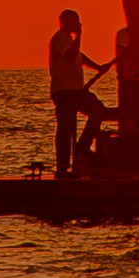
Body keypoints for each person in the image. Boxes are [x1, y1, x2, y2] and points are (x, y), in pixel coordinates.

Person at [49, 12, 113, 177]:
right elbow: (71, 55)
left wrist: (98, 67)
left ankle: (81, 148)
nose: (78, 24)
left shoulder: (69, 41)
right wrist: (80, 36)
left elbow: (79, 56)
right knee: (66, 127)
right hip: (64, 91)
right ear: (63, 22)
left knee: (98, 111)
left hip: (76, 90)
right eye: (74, 21)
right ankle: (63, 166)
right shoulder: (59, 38)